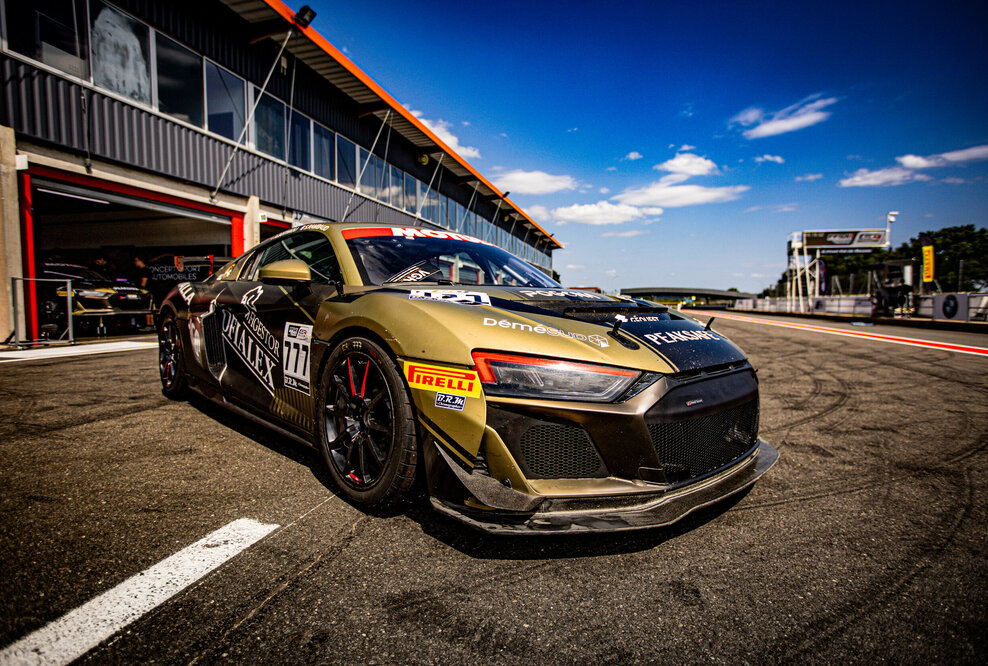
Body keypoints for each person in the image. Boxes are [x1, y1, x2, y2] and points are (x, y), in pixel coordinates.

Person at [133, 256, 155, 331]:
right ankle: (151, 324)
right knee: (150, 308)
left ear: (141, 261)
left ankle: (149, 324)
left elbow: (143, 284)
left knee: (147, 308)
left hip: (146, 292)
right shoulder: (146, 270)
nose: (135, 263)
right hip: (149, 292)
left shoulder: (144, 271)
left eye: (136, 261)